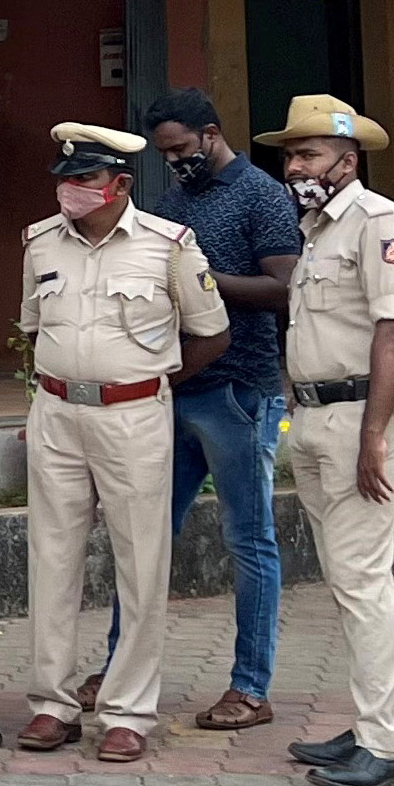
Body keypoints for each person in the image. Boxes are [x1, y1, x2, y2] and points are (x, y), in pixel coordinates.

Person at [77, 89, 301, 729]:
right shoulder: (176, 202)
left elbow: (286, 287)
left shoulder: (260, 194)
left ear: (211, 132)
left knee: (248, 540)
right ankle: (121, 666)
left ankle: (250, 688)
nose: (175, 161)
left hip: (238, 393)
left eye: (182, 149)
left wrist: (197, 278)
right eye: (166, 153)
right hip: (172, 389)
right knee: (144, 538)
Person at [15, 122, 227, 763]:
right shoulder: (39, 243)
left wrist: (149, 382)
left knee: (140, 564)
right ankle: (51, 705)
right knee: (51, 561)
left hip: (134, 418)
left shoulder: (169, 246)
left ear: (120, 183)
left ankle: (129, 712)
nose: (71, 192)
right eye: (65, 180)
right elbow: (30, 327)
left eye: (85, 180)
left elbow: (211, 333)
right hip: (56, 412)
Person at [261, 95, 394, 786]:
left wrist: (372, 438)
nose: (296, 166)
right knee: (349, 581)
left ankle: (386, 749)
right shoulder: (315, 228)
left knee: (362, 581)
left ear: (346, 159)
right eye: (290, 155)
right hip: (319, 418)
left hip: (366, 418)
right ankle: (373, 726)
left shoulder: (380, 223)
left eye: (309, 154)